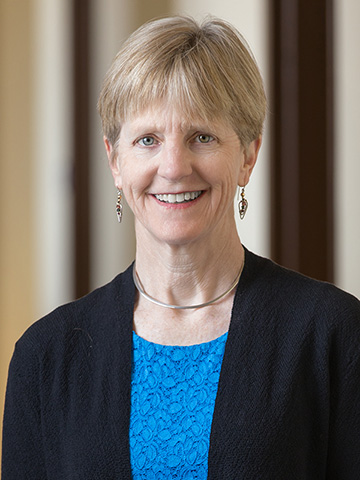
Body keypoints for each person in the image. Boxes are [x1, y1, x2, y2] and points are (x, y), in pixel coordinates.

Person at [2, 15, 360, 480]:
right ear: (114, 159)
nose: (173, 167)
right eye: (147, 139)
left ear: (248, 154)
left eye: (202, 137)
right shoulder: (45, 357)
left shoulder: (334, 336)